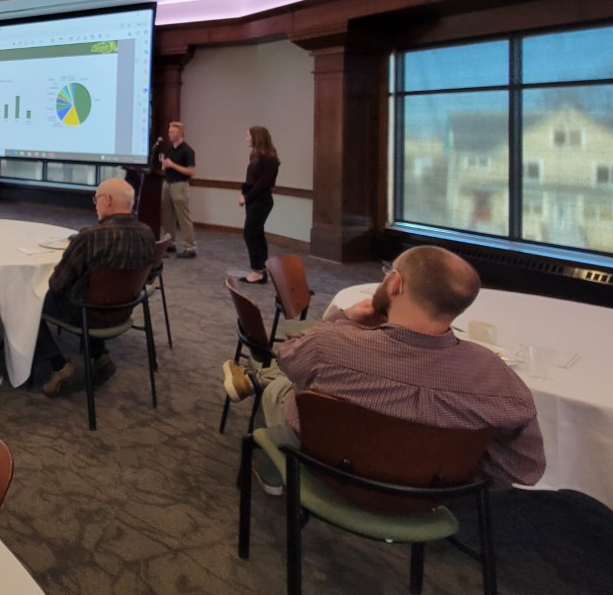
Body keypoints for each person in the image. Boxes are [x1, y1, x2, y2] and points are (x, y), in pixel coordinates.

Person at [223, 245, 545, 492]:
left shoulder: (329, 345)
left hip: (328, 469)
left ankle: (270, 468)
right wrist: (445, 471)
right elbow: (524, 468)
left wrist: (343, 320)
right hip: (430, 495)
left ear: (395, 284)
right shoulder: (504, 384)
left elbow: (288, 359)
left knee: (282, 386)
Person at [35, 178, 157, 396]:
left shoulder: (89, 237)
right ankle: (100, 357)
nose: (95, 205)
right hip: (124, 310)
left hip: (86, 313)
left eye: (96, 199)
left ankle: (59, 365)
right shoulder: (148, 234)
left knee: (27, 302)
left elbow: (57, 285)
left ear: (107, 200)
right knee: (94, 295)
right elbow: (153, 274)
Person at [238, 126, 280, 284]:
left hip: (261, 200)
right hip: (253, 200)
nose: (246, 138)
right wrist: (244, 194)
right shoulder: (256, 156)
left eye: (248, 135)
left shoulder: (270, 159)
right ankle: (261, 270)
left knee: (250, 233)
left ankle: (257, 271)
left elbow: (262, 184)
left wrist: (247, 196)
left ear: (257, 137)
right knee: (257, 233)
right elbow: (251, 181)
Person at [159, 120, 197, 259]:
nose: (169, 134)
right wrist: (165, 165)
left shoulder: (187, 150)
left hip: (180, 185)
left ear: (180, 133)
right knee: (167, 215)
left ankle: (190, 247)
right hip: (167, 183)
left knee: (183, 216)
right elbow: (167, 166)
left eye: (172, 132)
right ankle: (170, 243)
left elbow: (191, 171)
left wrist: (172, 165)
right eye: (169, 131)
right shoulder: (169, 150)